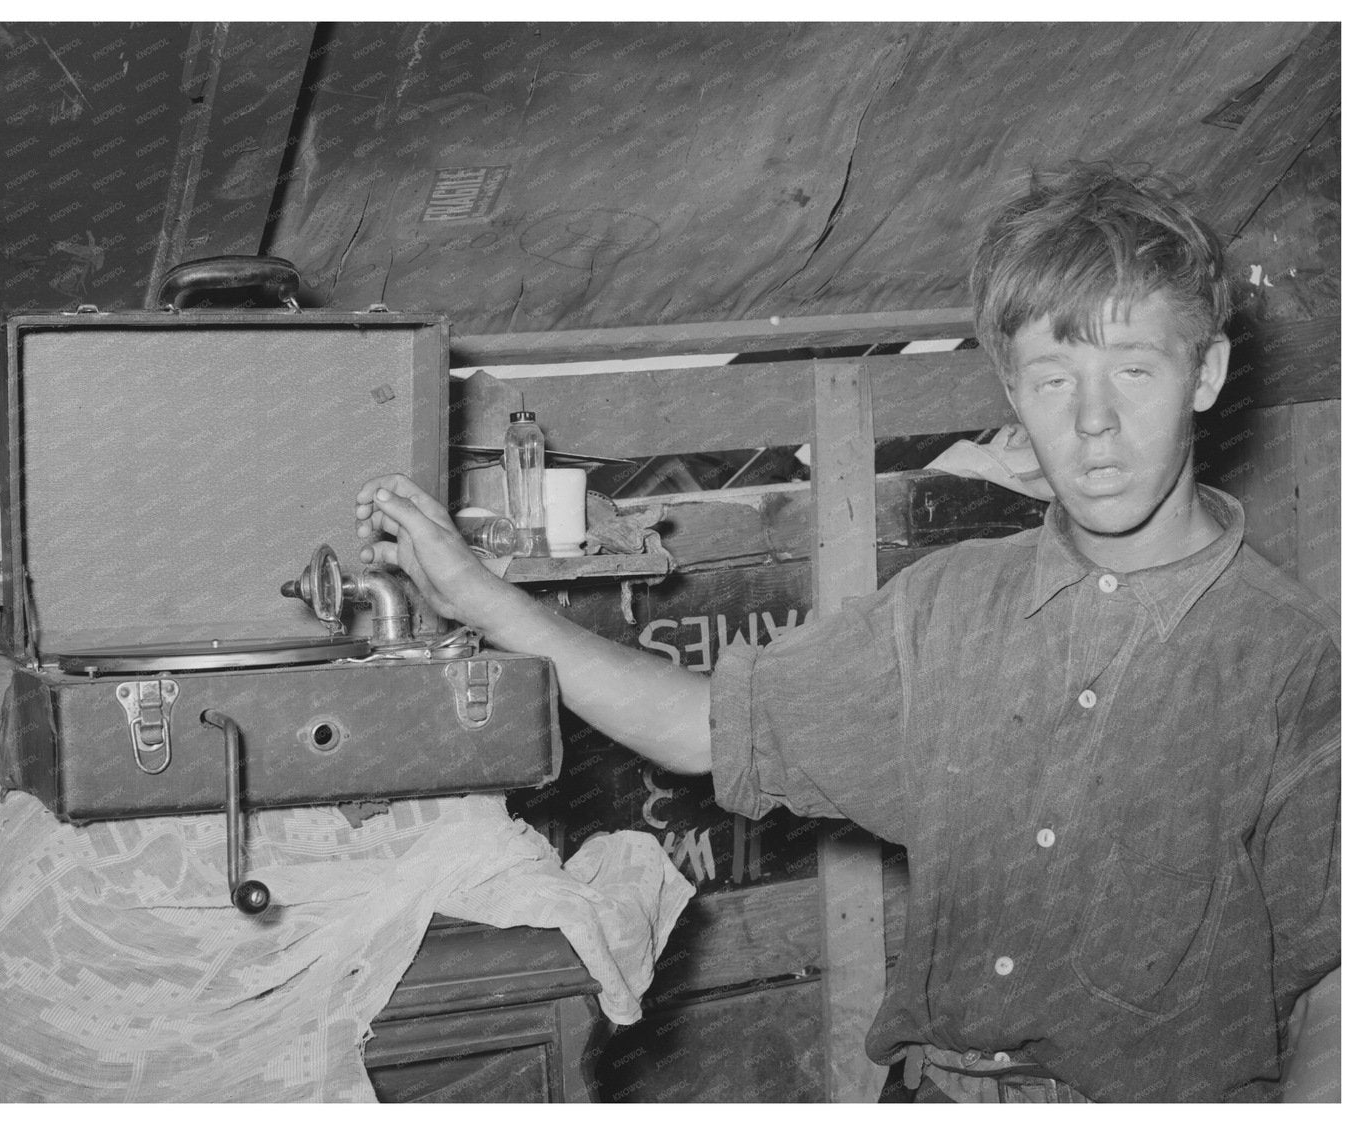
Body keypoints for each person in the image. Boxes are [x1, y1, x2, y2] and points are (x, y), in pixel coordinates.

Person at [354, 163, 1339, 1103]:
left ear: (1205, 371)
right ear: (1009, 390)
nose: (1093, 423)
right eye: (1052, 379)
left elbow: (1343, 981)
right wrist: (480, 596)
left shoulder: (1297, 666)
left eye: (1133, 370)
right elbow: (705, 727)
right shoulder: (946, 608)